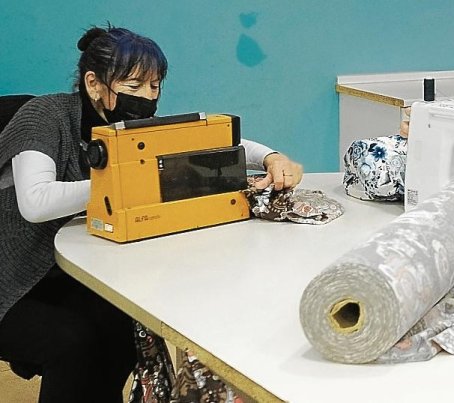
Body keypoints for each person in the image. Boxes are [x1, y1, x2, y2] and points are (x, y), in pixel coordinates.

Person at [0, 26, 303, 401]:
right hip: (10, 281)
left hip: (62, 273)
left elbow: (216, 142)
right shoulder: (45, 116)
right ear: (94, 83)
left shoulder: (129, 128)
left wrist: (272, 157)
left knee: (124, 326)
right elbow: (36, 201)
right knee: (72, 343)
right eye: (133, 86)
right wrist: (130, 178)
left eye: (155, 87)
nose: (147, 98)